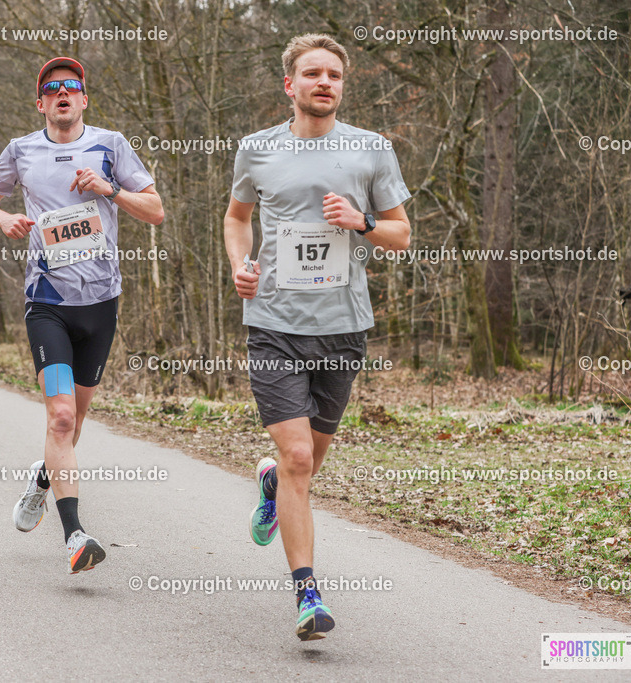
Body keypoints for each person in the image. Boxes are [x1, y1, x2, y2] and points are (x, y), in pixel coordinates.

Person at [223, 34, 411, 640]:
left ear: (342, 85)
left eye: (334, 74)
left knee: (307, 464)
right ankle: (307, 594)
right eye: (312, 73)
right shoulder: (256, 149)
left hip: (343, 327)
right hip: (273, 325)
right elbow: (236, 217)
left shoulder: (371, 149)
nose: (324, 82)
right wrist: (240, 264)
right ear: (290, 84)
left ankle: (272, 482)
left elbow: (402, 234)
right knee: (300, 456)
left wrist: (362, 221)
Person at [0, 56, 164, 573]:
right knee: (59, 417)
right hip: (48, 304)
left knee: (73, 423)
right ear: (40, 103)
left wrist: (109, 190)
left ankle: (43, 478)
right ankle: (74, 535)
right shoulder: (21, 150)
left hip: (100, 305)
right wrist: (2, 217)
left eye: (71, 86)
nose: (62, 92)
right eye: (52, 87)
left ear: (84, 99)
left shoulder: (111, 145)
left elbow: (156, 210)